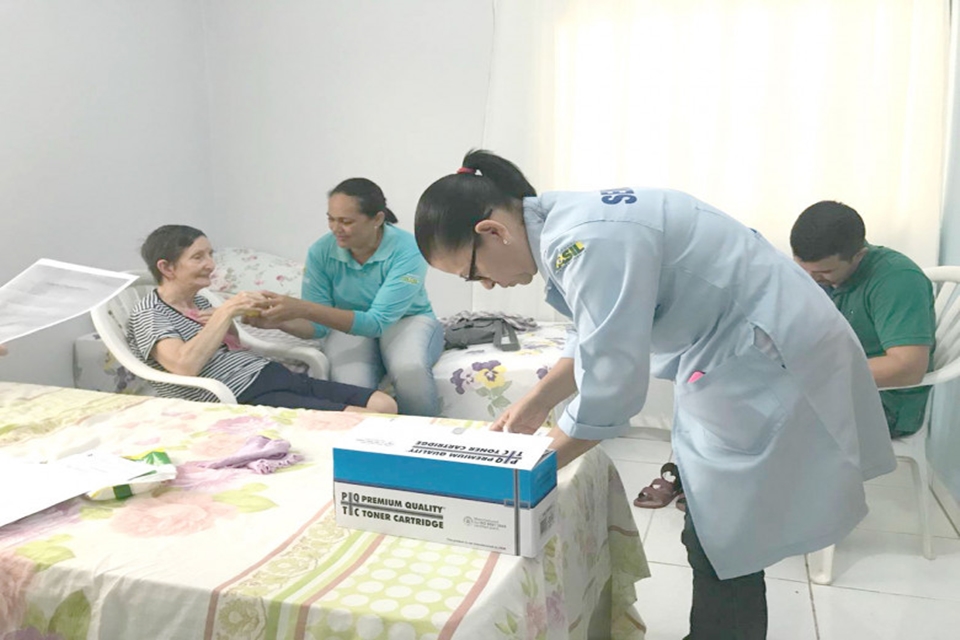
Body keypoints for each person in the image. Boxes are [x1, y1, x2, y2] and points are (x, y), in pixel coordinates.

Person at [413, 150, 895, 640]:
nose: (487, 285)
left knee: (724, 536)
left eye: (473, 273)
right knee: (718, 529)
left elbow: (612, 386)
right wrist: (536, 401)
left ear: (492, 232)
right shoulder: (564, 224)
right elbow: (596, 333)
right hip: (740, 350)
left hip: (769, 356)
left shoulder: (582, 241)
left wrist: (528, 471)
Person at [128, 224, 396, 414]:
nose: (210, 264)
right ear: (166, 267)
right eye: (198, 257)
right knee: (364, 419)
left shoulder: (199, 300)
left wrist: (247, 318)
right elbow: (184, 366)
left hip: (270, 375)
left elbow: (230, 347)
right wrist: (225, 311)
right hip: (243, 394)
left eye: (210, 254)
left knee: (384, 404)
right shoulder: (150, 313)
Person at [253, 178, 444, 417]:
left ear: (377, 219)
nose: (335, 228)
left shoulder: (408, 249)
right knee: (352, 386)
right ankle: (367, 446)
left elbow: (377, 323)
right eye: (331, 219)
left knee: (409, 369)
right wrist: (280, 322)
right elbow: (319, 327)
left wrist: (302, 308)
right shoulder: (321, 251)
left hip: (406, 319)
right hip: (346, 326)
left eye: (346, 221)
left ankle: (424, 438)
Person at [791, 201, 935, 437]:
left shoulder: (897, 280)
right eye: (802, 269)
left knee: (767, 424)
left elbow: (908, 368)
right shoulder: (816, 275)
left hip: (884, 404)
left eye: (824, 272)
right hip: (832, 387)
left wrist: (817, 375)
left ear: (858, 256)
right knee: (734, 401)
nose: (811, 279)